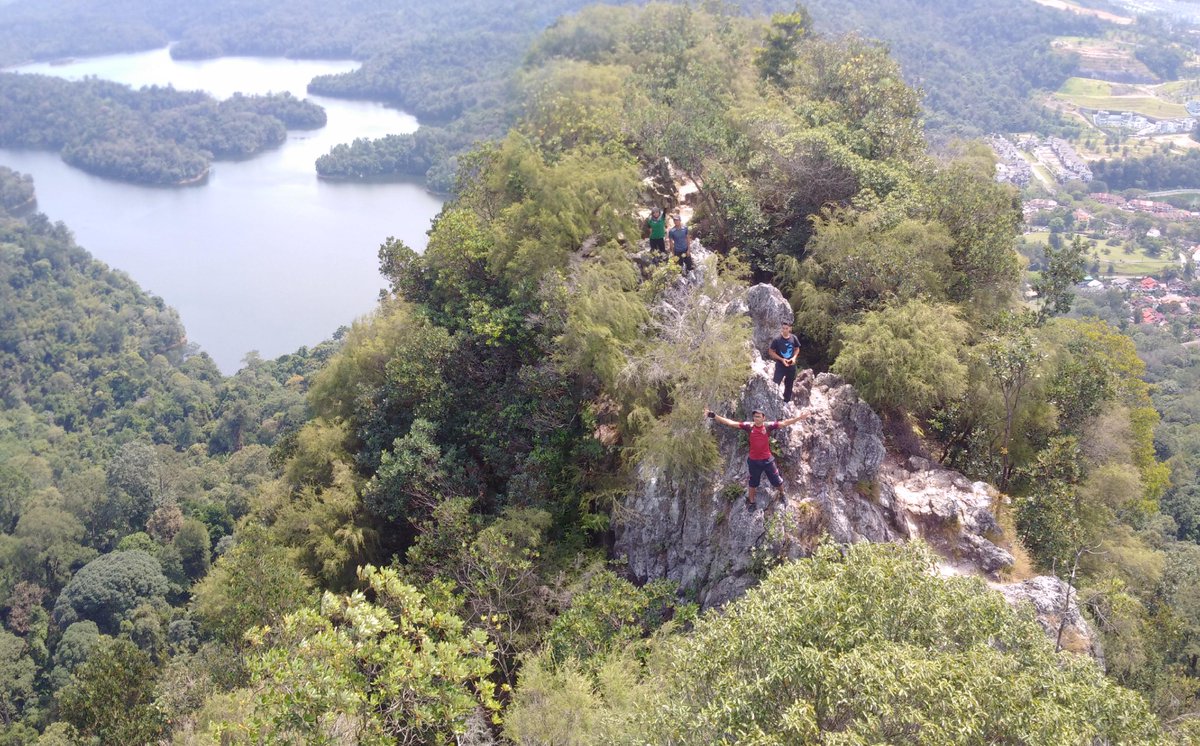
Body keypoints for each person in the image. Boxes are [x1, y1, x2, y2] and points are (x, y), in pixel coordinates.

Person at [705, 407, 806, 507]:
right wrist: (714, 416)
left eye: (758, 416)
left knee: (776, 480)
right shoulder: (749, 426)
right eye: (754, 417)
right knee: (753, 483)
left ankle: (782, 494)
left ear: (763, 418)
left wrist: (799, 418)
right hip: (754, 461)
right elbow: (731, 423)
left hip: (768, 460)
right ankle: (752, 502)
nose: (756, 418)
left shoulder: (768, 426)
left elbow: (785, 423)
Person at [768, 321, 800, 403]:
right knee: (775, 384)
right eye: (783, 328)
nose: (785, 330)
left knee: (789, 385)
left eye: (786, 328)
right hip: (780, 365)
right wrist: (781, 359)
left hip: (791, 365)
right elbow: (771, 351)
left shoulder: (794, 338)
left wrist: (794, 358)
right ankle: (773, 401)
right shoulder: (777, 340)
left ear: (790, 329)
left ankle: (786, 402)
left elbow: (797, 349)